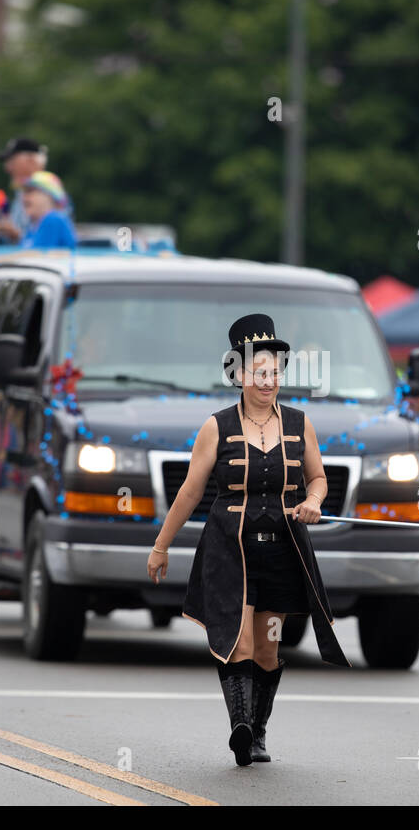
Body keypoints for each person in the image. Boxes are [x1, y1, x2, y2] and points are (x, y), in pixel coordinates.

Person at [148, 313, 349, 767]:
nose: (268, 380)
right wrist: (161, 545)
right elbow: (190, 491)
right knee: (237, 640)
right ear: (238, 374)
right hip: (230, 549)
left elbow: (317, 479)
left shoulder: (300, 424)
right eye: (260, 371)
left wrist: (314, 500)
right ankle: (239, 727)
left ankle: (258, 731)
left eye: (275, 371)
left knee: (268, 644)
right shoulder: (216, 427)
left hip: (281, 550)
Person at [0, 137, 65, 243]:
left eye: (12, 161)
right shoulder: (19, 193)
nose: (7, 168)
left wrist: (17, 235)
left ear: (31, 160)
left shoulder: (51, 193)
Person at [19, 171, 78, 249]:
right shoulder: (33, 227)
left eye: (30, 191)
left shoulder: (53, 219)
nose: (24, 197)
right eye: (24, 192)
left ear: (49, 197)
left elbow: (35, 257)